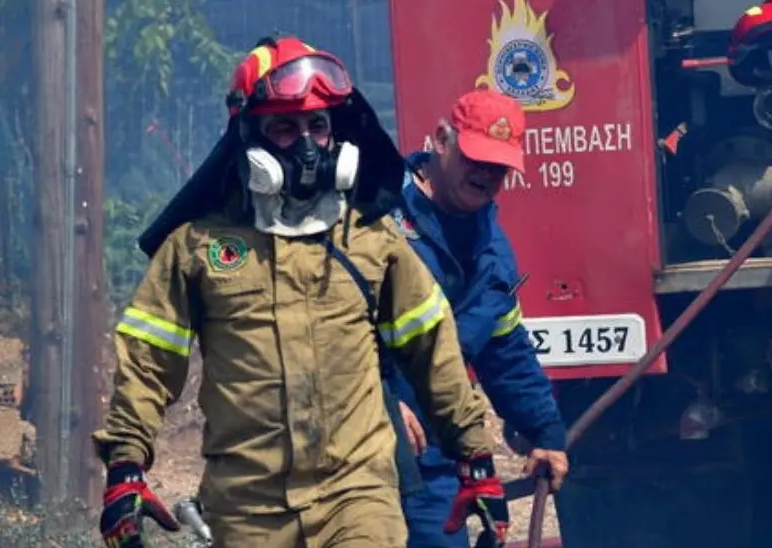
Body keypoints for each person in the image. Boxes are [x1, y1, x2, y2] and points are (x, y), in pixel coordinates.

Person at [92, 36, 509, 548]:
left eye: (318, 125)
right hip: (248, 506)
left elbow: (433, 353)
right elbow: (148, 362)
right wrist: (125, 467)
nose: (308, 144)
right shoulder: (197, 248)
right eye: (286, 127)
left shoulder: (373, 241)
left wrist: (476, 458)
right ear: (250, 138)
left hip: (357, 493)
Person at [388, 89, 571, 547]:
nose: (487, 176)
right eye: (476, 159)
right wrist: (381, 401)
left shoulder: (491, 248)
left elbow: (506, 350)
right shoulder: (376, 220)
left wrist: (543, 431)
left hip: (435, 458)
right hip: (359, 452)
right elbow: (330, 332)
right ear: (441, 140)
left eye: (499, 167)